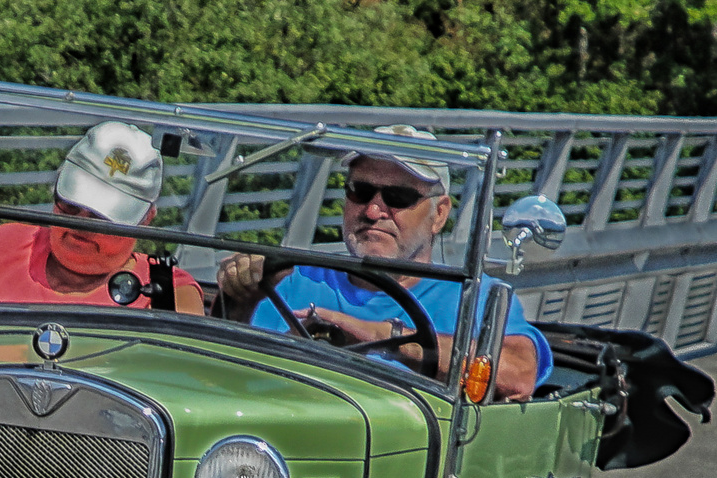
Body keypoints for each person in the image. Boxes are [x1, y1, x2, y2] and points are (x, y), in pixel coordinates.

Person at [215, 125, 551, 401]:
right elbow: (223, 379)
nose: (373, 212)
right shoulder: (289, 279)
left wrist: (375, 336)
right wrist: (239, 297)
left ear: (439, 214)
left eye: (398, 198)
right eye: (360, 192)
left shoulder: (473, 298)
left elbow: (519, 376)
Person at [0, 121, 206, 314]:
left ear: (145, 219)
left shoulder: (166, 293)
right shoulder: (8, 244)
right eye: (71, 205)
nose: (80, 223)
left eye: (103, 216)